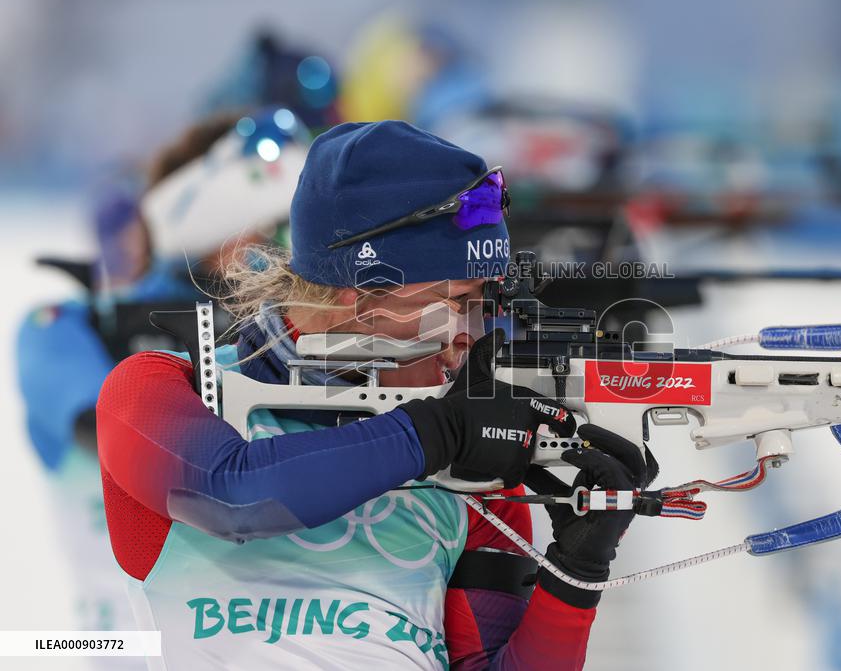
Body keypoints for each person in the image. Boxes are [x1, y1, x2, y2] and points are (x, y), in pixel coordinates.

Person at [96, 121, 652, 669]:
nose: (475, 333)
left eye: (487, 303)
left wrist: (575, 574)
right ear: (359, 290)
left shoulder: (473, 469)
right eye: (456, 300)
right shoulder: (166, 390)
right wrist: (439, 432)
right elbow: (233, 493)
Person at [14, 108, 308, 655]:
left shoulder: (293, 333)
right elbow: (112, 425)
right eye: (263, 223)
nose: (275, 243)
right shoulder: (71, 327)